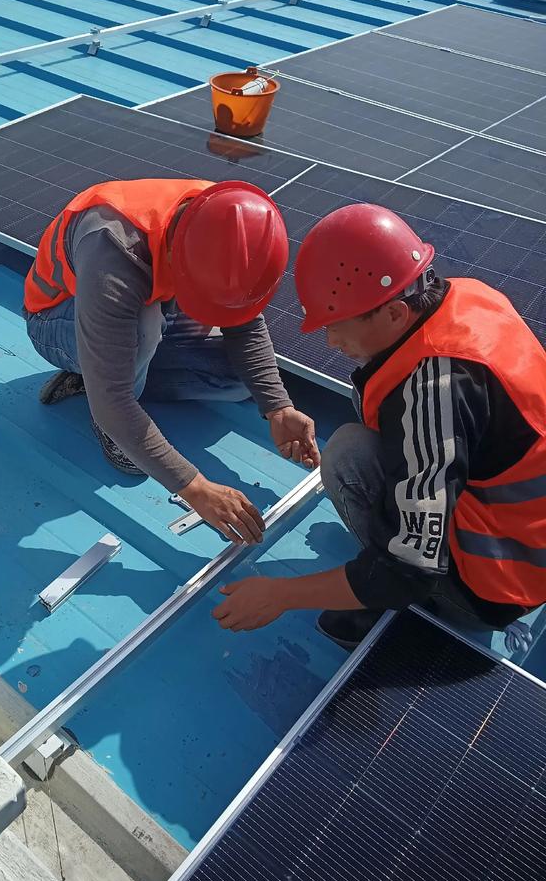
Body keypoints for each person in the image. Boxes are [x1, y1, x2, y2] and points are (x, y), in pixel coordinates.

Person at [213, 203, 546, 648]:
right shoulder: (469, 297)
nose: (330, 341)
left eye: (337, 326)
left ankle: (422, 605)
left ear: (394, 314)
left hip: (499, 585)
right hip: (526, 530)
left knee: (347, 456)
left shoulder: (433, 393)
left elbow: (408, 570)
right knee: (374, 395)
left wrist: (280, 594)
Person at [25, 178, 320, 545]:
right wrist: (196, 488)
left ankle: (106, 374)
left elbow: (244, 323)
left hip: (138, 312)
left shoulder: (229, 219)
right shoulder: (113, 251)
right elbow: (114, 401)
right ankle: (102, 398)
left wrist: (278, 407)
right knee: (142, 330)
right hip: (56, 322)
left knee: (236, 379)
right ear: (175, 257)